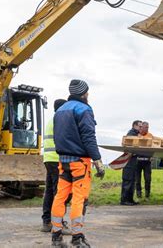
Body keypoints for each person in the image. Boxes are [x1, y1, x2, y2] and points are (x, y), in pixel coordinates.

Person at [51, 79, 105, 248]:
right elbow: (89, 137)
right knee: (78, 199)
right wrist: (98, 160)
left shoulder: (60, 110)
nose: (88, 95)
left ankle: (56, 237)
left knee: (60, 197)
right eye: (87, 92)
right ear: (83, 93)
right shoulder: (83, 109)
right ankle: (77, 238)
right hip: (79, 162)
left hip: (63, 162)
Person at [40, 99, 71, 234]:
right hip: (57, 160)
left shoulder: (52, 119)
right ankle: (57, 223)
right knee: (60, 193)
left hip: (49, 159)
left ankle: (47, 222)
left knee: (50, 192)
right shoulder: (60, 119)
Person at [120, 120, 141, 206]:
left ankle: (130, 199)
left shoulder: (136, 134)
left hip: (133, 160)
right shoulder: (131, 134)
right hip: (129, 160)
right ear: (134, 125)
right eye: (139, 126)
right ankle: (124, 200)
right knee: (128, 180)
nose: (140, 128)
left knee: (132, 180)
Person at [135, 121, 152, 199]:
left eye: (148, 127)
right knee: (137, 179)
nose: (147, 129)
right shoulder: (136, 135)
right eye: (146, 127)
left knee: (148, 179)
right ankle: (139, 194)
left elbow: (153, 146)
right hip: (138, 160)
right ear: (141, 127)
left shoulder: (150, 136)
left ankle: (147, 195)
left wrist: (152, 155)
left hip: (147, 161)